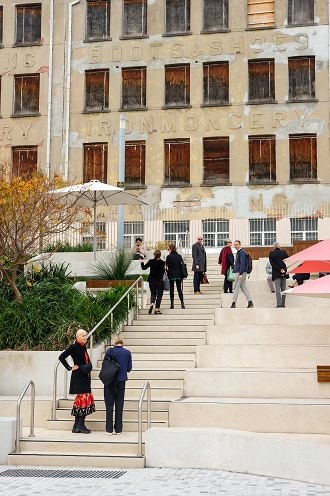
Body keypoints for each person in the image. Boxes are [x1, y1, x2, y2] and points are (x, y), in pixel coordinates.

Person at [58, 329, 95, 434]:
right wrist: (69, 368)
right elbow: (61, 357)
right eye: (83, 336)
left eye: (86, 335)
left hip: (84, 376)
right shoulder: (74, 347)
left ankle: (76, 426)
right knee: (83, 400)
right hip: (79, 377)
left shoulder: (83, 347)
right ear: (77, 337)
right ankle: (81, 425)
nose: (85, 337)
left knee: (82, 400)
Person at [104, 334, 132, 435]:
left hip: (110, 381)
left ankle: (109, 429)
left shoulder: (110, 351)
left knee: (109, 405)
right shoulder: (127, 353)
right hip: (121, 381)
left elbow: (105, 365)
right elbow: (129, 369)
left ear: (114, 341)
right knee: (119, 405)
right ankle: (119, 429)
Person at [141, 249, 165, 314]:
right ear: (160, 255)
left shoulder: (151, 261)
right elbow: (163, 272)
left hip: (151, 280)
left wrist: (142, 262)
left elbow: (144, 268)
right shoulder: (162, 263)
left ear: (154, 255)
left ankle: (152, 303)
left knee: (153, 293)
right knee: (159, 295)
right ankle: (157, 309)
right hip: (159, 281)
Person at [231, 240, 253, 308]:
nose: (235, 246)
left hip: (240, 272)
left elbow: (242, 263)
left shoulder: (242, 252)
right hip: (242, 272)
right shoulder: (240, 252)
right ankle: (250, 302)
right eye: (234, 245)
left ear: (240, 244)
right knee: (244, 287)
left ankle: (234, 303)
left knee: (236, 287)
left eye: (236, 244)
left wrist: (240, 273)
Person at [166, 243, 185, 309]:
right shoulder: (179, 256)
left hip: (171, 275)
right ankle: (182, 303)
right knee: (179, 290)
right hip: (179, 274)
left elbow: (166, 266)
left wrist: (168, 272)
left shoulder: (168, 257)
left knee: (172, 290)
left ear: (170, 249)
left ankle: (172, 304)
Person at [269, 242, 288, 308]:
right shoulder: (284, 253)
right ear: (279, 246)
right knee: (284, 289)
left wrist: (279, 269)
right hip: (284, 273)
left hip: (276, 273)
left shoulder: (271, 254)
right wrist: (283, 270)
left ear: (274, 247)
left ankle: (279, 304)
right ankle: (283, 304)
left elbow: (272, 264)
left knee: (277, 289)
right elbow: (287, 262)